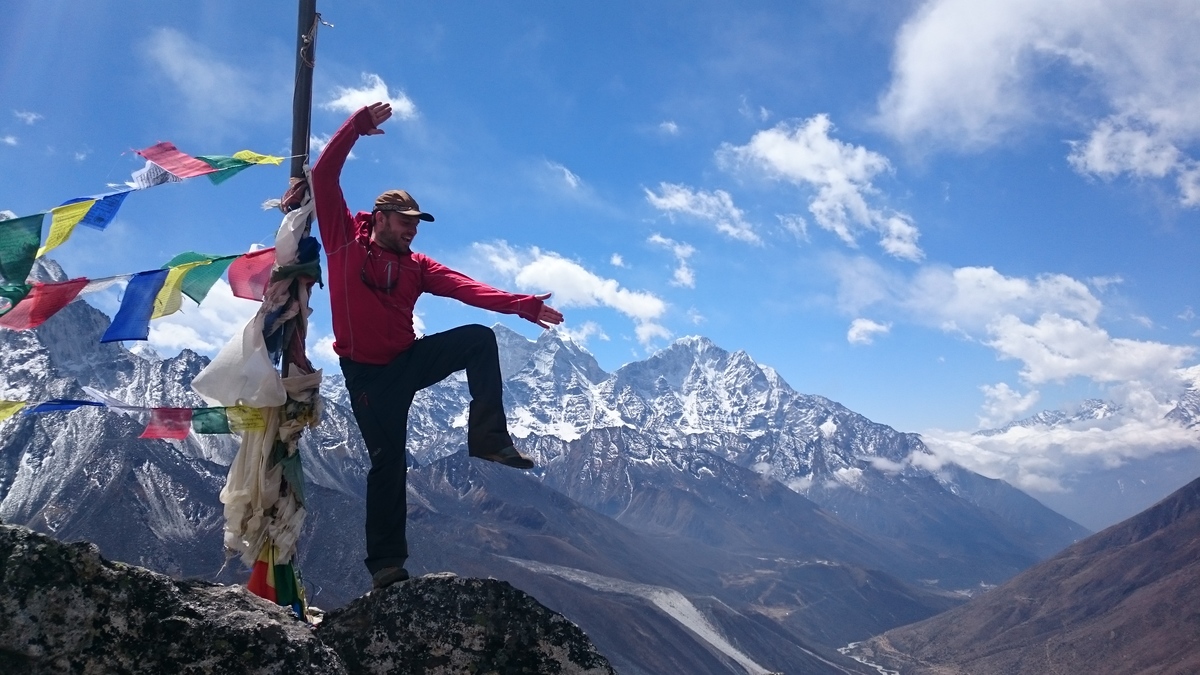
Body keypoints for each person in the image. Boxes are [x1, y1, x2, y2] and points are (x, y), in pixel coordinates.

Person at [305, 101, 564, 590]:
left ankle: (488, 438)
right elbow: (323, 176)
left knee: (477, 339)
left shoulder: (417, 265)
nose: (412, 228)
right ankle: (386, 567)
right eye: (405, 221)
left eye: (416, 223)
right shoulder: (342, 241)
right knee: (388, 464)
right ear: (380, 218)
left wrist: (521, 306)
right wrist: (355, 129)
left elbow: (469, 288)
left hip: (407, 360)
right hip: (367, 377)